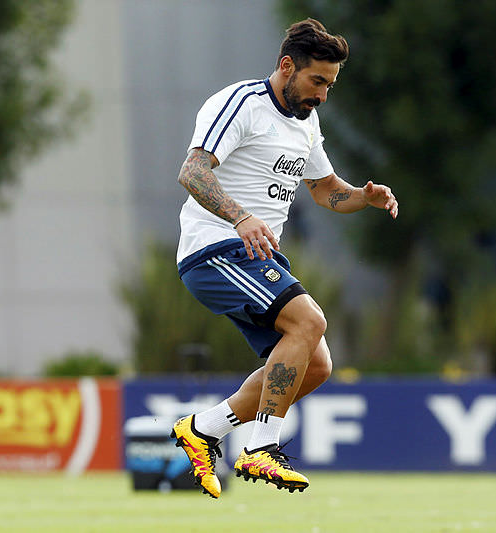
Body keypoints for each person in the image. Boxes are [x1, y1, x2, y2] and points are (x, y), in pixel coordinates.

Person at [170, 18, 398, 498]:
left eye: (330, 85)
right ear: (287, 66)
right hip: (215, 248)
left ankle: (204, 429)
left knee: (316, 365)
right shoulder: (241, 103)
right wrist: (240, 216)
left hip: (255, 254)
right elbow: (192, 171)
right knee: (309, 320)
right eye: (317, 81)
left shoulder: (307, 121)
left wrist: (363, 196)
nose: (323, 94)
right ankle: (260, 447)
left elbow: (325, 190)